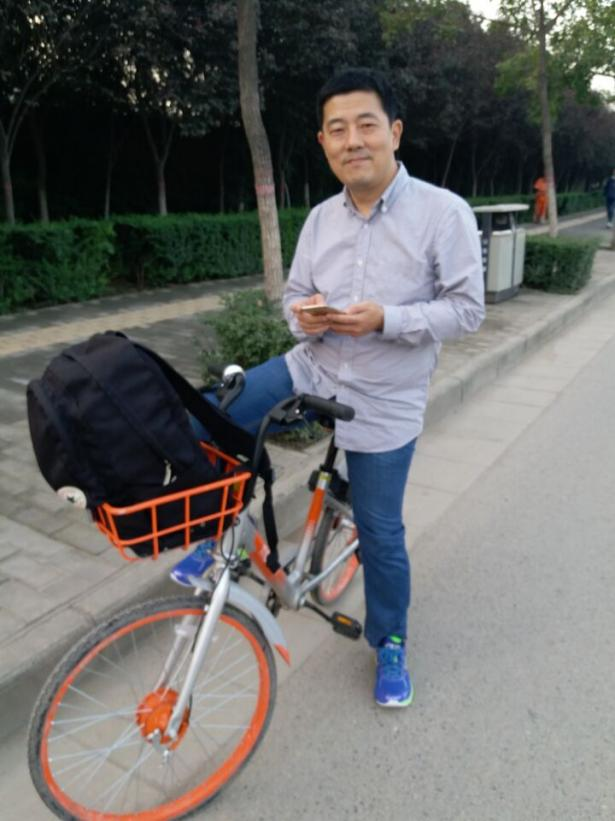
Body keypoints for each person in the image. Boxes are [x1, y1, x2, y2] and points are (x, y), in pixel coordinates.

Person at [188, 67, 485, 707]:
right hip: (313, 367)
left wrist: (387, 319)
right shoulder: (322, 218)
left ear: (394, 132)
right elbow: (294, 297)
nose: (353, 141)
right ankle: (221, 534)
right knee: (206, 419)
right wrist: (306, 315)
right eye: (337, 129)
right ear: (323, 143)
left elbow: (467, 310)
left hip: (385, 398)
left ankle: (391, 640)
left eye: (366, 125)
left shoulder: (444, 213)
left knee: (380, 532)